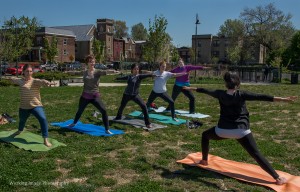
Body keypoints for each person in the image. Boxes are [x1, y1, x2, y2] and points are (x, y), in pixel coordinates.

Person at [183, 71, 297, 185]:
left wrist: (191, 88)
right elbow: (261, 97)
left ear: (225, 83)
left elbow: (204, 90)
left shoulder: (219, 93)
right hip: (241, 131)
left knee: (205, 135)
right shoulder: (242, 94)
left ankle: (204, 161)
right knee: (256, 153)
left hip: (222, 130)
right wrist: (283, 99)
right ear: (238, 84)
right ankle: (277, 178)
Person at [8, 64, 56, 147]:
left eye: (30, 71)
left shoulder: (34, 81)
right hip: (24, 106)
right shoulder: (21, 81)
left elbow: (41, 81)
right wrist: (10, 79)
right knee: (22, 121)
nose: (29, 73)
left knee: (43, 119)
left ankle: (45, 139)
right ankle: (19, 131)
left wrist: (46, 82)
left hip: (36, 105)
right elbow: (13, 80)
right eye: (27, 71)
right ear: (23, 72)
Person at [68, 55, 116, 134]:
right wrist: (69, 72)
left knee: (104, 111)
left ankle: (107, 129)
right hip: (85, 96)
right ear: (87, 63)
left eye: (93, 61)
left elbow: (106, 72)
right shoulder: (85, 72)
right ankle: (74, 123)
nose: (92, 63)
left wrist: (114, 71)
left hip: (95, 96)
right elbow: (76, 72)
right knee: (79, 111)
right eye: (90, 61)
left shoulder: (97, 72)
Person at [114, 63, 159, 128]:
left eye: (137, 69)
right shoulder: (129, 76)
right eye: (135, 69)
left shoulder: (139, 76)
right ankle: (118, 117)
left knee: (144, 106)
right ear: (132, 70)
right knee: (122, 106)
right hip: (126, 94)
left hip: (135, 95)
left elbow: (146, 75)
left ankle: (148, 123)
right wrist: (117, 78)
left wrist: (152, 75)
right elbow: (123, 77)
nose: (136, 70)